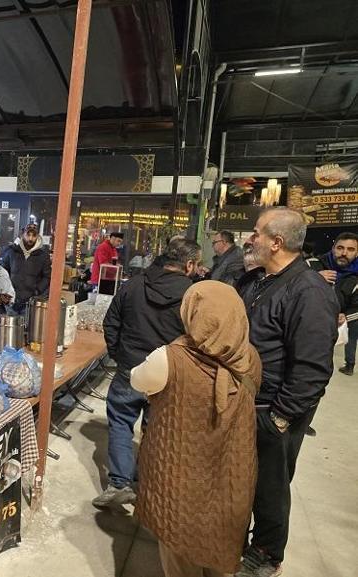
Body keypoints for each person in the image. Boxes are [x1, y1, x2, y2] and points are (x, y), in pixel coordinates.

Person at [132, 281, 262, 577]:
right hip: (230, 476)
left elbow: (136, 380)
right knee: (218, 550)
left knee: (180, 559)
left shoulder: (170, 359)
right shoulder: (250, 357)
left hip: (178, 481)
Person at [236, 207, 339, 577]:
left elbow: (312, 368)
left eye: (257, 233)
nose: (251, 238)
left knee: (270, 484)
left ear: (276, 242)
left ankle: (266, 553)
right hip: (246, 400)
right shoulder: (257, 280)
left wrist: (280, 416)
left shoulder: (309, 292)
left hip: (276, 410)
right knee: (243, 477)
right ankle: (236, 536)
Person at [94, 237, 202, 508]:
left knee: (120, 422)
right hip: (168, 375)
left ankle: (118, 483)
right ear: (188, 264)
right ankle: (150, 483)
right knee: (157, 430)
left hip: (130, 369)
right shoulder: (194, 295)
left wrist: (121, 355)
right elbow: (199, 339)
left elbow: (111, 324)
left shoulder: (133, 285)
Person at [304, 232, 358, 375]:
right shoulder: (312, 264)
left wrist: (345, 316)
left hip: (331, 333)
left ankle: (349, 364)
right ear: (333, 248)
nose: (344, 253)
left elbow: (356, 307)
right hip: (303, 325)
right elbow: (289, 284)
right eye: (340, 248)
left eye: (350, 249)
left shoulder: (356, 277)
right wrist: (314, 277)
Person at [0, 223, 51, 315]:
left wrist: (37, 290)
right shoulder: (12, 252)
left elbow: (47, 277)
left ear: (37, 236)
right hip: (11, 301)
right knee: (10, 328)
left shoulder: (43, 256)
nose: (30, 238)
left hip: (30, 303)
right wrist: (5, 290)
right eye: (28, 235)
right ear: (22, 235)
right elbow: (2, 272)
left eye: (34, 235)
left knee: (28, 328)